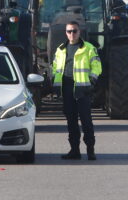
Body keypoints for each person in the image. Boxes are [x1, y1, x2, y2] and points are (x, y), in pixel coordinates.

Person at [52, 21, 102, 160]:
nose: (72, 34)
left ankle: (90, 150)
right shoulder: (60, 49)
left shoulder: (89, 48)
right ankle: (75, 151)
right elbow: (55, 67)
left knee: (86, 121)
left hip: (83, 90)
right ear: (66, 33)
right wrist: (54, 81)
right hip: (67, 90)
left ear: (79, 32)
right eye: (69, 31)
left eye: (74, 31)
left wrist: (91, 82)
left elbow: (97, 66)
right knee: (71, 122)